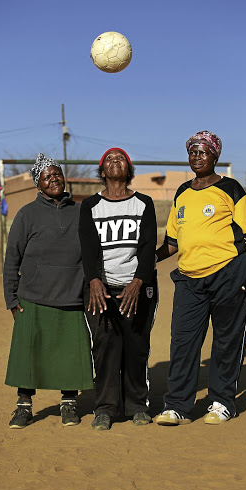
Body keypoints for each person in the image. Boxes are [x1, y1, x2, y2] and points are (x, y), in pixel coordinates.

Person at [155, 131, 246, 426]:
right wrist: (148, 259)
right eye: (192, 152)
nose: (196, 157)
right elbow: (172, 242)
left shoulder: (230, 188)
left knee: (226, 341)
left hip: (229, 272)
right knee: (183, 341)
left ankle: (221, 402)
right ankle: (177, 405)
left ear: (214, 156)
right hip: (189, 279)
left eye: (203, 152)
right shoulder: (181, 192)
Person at [4, 153, 93, 429]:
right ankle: (24, 406)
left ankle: (68, 404)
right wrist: (11, 298)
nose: (53, 179)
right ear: (38, 184)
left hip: (71, 297)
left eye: (57, 174)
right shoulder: (26, 215)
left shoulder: (80, 212)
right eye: (47, 176)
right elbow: (12, 260)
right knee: (28, 355)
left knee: (70, 355)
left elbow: (92, 253)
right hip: (33, 298)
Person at [79, 148, 158, 430]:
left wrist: (138, 281)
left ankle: (137, 405)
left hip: (137, 287)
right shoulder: (90, 205)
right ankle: (105, 408)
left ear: (129, 169)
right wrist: (95, 280)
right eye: (109, 159)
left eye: (120, 158)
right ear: (102, 172)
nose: (115, 162)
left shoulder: (144, 203)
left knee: (136, 346)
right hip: (102, 287)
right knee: (104, 347)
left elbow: (148, 246)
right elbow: (88, 248)